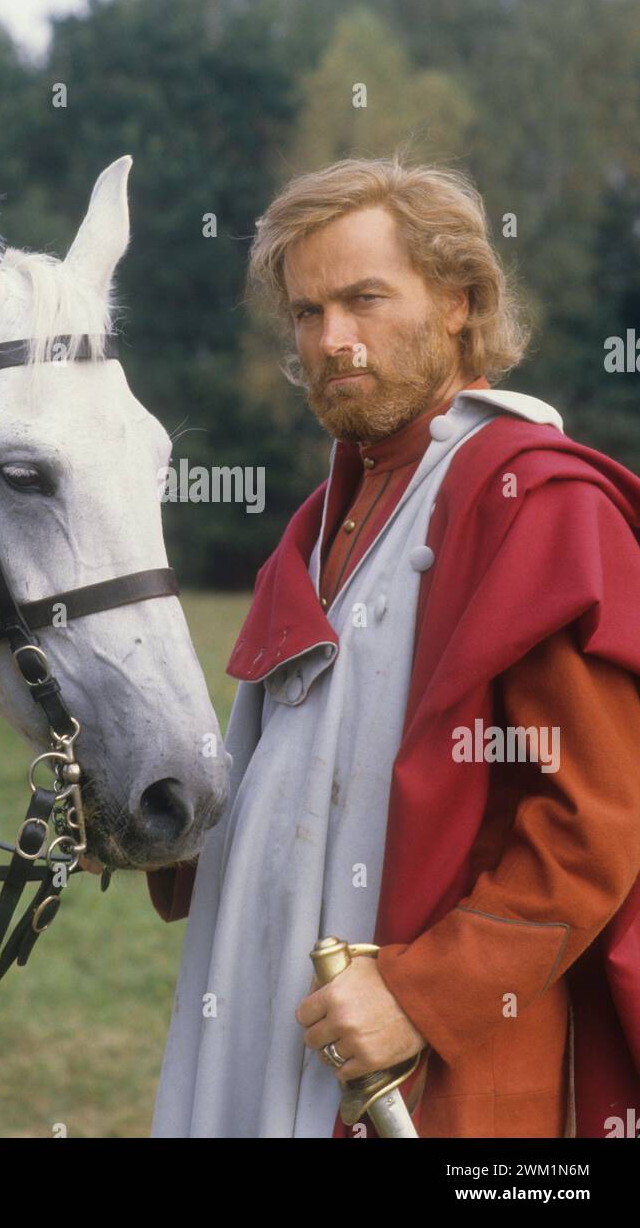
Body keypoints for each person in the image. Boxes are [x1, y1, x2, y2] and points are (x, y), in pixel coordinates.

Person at [145, 156, 640, 1139]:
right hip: (251, 1027)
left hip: (442, 1077)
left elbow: (593, 827)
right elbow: (284, 787)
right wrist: (148, 820)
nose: (333, 340)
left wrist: (421, 996)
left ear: (459, 302)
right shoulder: (318, 524)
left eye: (363, 300)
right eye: (305, 312)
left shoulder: (536, 506)